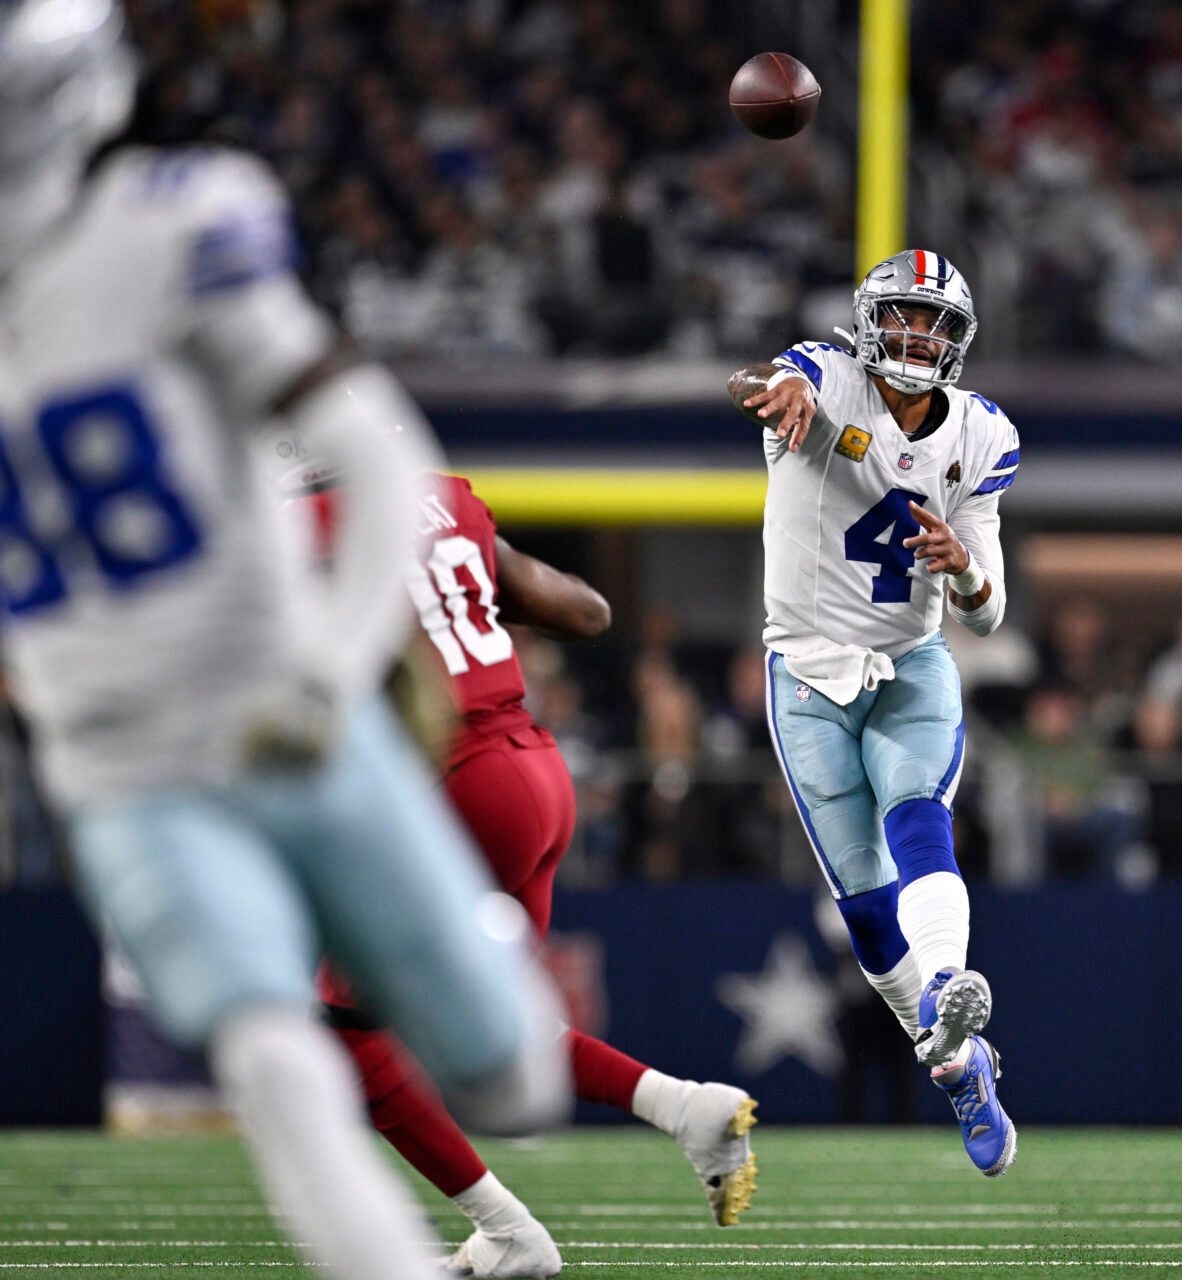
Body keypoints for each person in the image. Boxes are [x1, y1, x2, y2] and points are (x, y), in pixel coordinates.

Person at [0, 6, 566, 1279]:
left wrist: (329, 661)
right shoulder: (173, 212)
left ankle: (467, 978)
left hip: (282, 706)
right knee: (273, 1054)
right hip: (129, 766)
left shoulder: (164, 229)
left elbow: (378, 449)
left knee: (512, 1071)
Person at [286, 461, 760, 1276]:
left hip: (457, 779)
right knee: (480, 1010)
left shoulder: (300, 523)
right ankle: (686, 1108)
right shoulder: (438, 494)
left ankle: (506, 1231)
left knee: (343, 1031)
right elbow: (586, 611)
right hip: (535, 771)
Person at [727, 249, 1017, 1176]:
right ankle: (958, 1065)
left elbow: (988, 608)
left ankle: (946, 990)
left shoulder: (979, 436)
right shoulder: (824, 377)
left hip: (909, 664)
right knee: (862, 901)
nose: (917, 336)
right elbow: (783, 378)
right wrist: (780, 395)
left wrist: (962, 566)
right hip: (806, 677)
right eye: (903, 317)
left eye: (935, 323)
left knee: (917, 812)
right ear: (868, 320)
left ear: (958, 340)